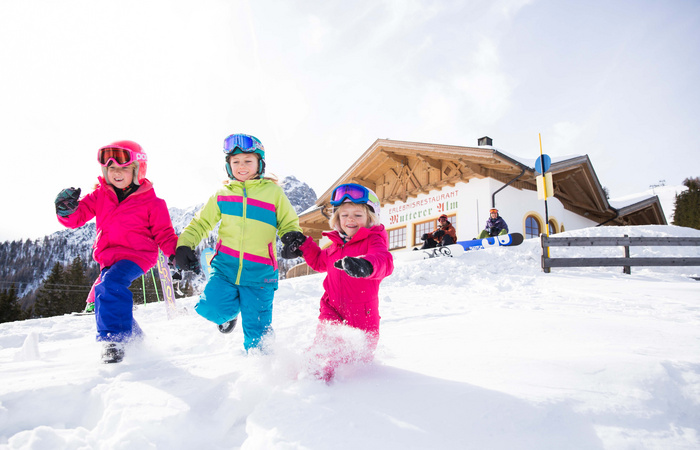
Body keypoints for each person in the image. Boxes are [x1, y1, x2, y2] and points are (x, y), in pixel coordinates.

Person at [175, 133, 302, 353]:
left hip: (260, 272)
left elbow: (288, 221)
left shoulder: (273, 193)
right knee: (210, 308)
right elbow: (201, 222)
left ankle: (262, 367)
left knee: (257, 330)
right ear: (228, 166)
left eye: (247, 161)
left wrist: (291, 236)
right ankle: (229, 315)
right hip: (225, 266)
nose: (241, 166)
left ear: (259, 164)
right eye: (235, 162)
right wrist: (185, 244)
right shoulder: (222, 194)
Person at [55, 140, 178, 363]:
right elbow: (77, 218)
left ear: (138, 170)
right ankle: (137, 343)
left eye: (123, 168)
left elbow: (164, 234)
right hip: (109, 258)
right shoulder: (100, 195)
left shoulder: (153, 203)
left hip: (138, 255)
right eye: (111, 168)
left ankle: (115, 341)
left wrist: (177, 254)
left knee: (109, 285)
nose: (116, 173)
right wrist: (66, 210)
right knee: (105, 298)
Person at [280, 183, 394, 381]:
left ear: (370, 218)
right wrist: (304, 245)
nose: (350, 219)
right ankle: (305, 384)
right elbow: (319, 261)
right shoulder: (336, 246)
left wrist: (366, 265)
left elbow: (384, 261)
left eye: (358, 215)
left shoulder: (373, 241)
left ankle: (343, 398)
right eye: (344, 215)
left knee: (350, 367)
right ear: (337, 219)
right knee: (320, 353)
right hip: (330, 310)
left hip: (361, 318)